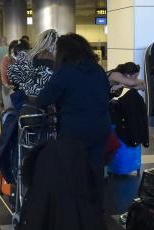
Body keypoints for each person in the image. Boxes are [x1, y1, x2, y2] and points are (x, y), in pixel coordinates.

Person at [37, 33, 110, 197]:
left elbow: (44, 99)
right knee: (95, 168)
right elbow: (106, 95)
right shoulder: (98, 70)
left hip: (74, 129)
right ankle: (95, 209)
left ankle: (76, 211)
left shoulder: (65, 71)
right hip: (101, 126)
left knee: (73, 171)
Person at [7, 29, 57, 104]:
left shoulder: (35, 55)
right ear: (53, 43)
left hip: (29, 94)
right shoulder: (50, 56)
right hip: (42, 95)